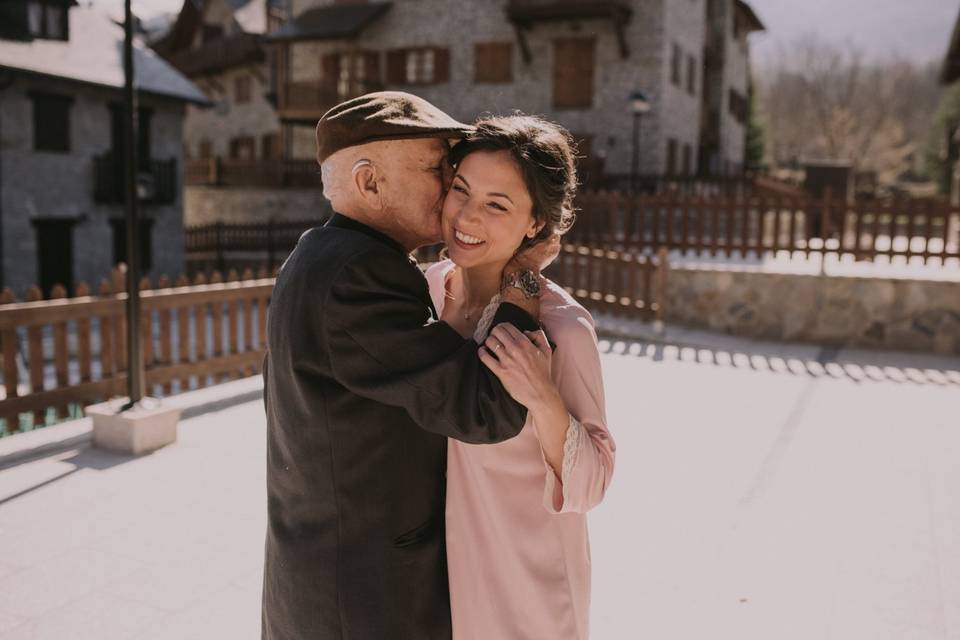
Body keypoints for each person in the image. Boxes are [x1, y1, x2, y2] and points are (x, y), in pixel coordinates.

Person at [261, 93, 556, 640]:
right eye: (436, 169)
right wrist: (522, 281)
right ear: (370, 182)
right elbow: (485, 406)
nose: (450, 186)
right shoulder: (359, 275)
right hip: (362, 600)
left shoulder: (320, 253)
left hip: (331, 575)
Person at [425, 115, 616, 639]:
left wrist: (546, 401)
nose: (466, 215)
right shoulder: (425, 293)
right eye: (460, 189)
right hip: (436, 587)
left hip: (527, 593)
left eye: (496, 204)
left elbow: (595, 480)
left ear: (536, 224)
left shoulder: (563, 330)